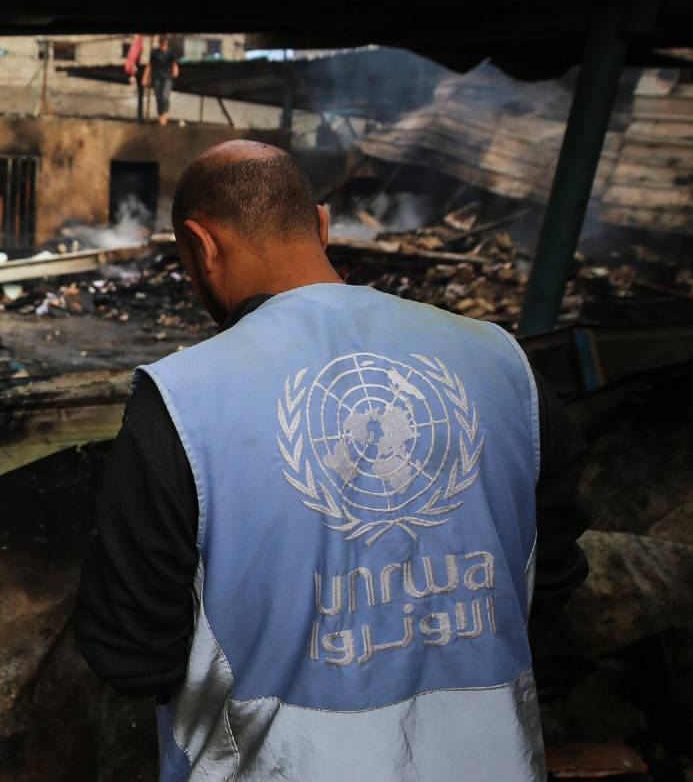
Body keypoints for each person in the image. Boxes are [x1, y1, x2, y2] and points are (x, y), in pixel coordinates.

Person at [75, 140, 590, 781]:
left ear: (200, 246)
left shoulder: (180, 401)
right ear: (322, 224)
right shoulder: (504, 364)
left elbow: (130, 653)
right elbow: (552, 577)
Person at [141, 35, 179, 125]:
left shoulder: (170, 52)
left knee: (165, 96)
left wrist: (176, 70)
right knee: (158, 97)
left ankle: (164, 114)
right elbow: (149, 65)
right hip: (157, 77)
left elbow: (174, 63)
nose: (163, 43)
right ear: (159, 42)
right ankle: (160, 114)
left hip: (167, 77)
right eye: (162, 41)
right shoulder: (155, 52)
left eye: (164, 41)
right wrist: (145, 77)